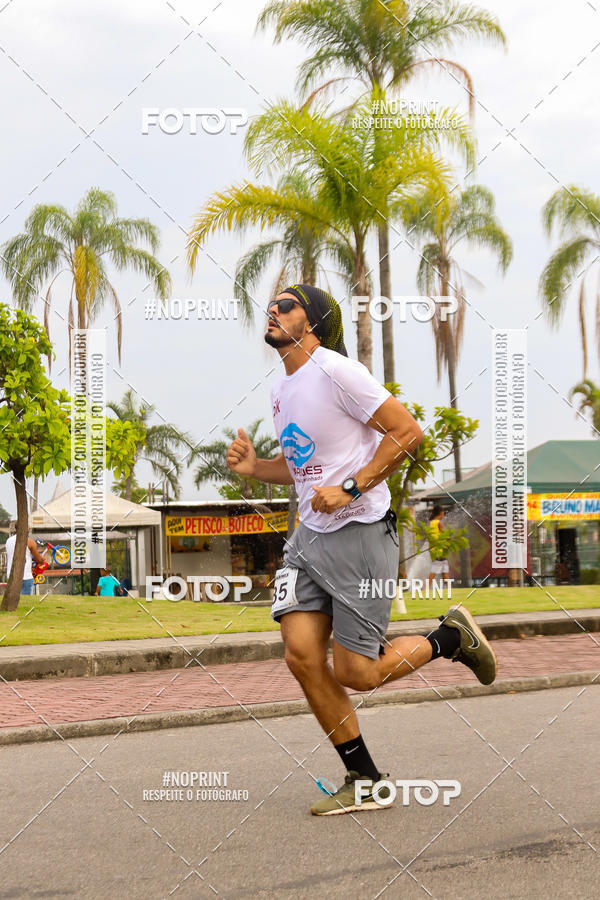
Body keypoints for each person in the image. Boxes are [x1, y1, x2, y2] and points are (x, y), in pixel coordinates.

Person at [226, 284, 497, 816]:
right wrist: (257, 468)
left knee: (358, 673)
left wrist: (350, 488)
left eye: (287, 304)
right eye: (272, 304)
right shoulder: (283, 387)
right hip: (309, 539)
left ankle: (449, 637)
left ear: (314, 322)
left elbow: (406, 432)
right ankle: (364, 778)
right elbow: (303, 465)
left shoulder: (336, 372)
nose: (274, 310)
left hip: (360, 535)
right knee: (301, 655)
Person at [5, 523, 47, 595]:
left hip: (11, 576)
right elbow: (39, 560)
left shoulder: (8, 541)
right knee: (26, 601)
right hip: (25, 576)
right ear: (26, 529)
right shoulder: (29, 541)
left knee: (13, 600)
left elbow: (18, 555)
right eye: (28, 528)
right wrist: (43, 558)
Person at [427, 504, 450, 588]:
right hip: (439, 550)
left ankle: (449, 588)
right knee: (434, 571)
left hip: (433, 550)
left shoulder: (431, 523)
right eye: (443, 513)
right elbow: (446, 536)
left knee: (445, 571)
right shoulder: (438, 523)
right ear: (441, 513)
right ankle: (426, 588)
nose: (443, 514)